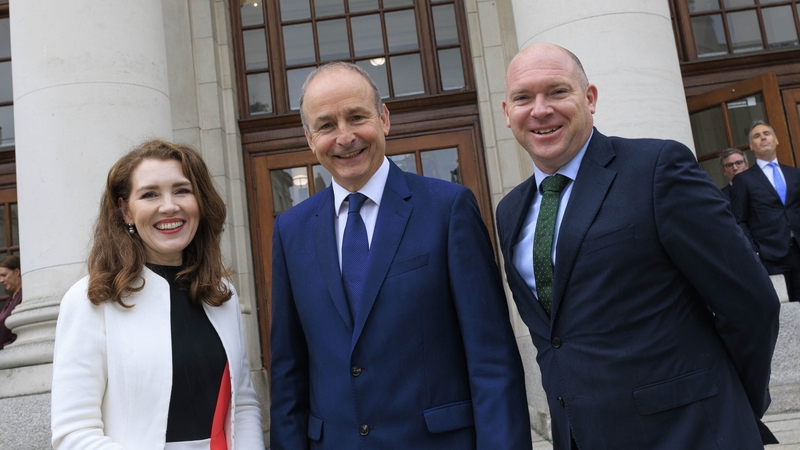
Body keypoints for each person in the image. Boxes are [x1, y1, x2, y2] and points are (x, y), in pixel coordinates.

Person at [496, 43, 780, 449]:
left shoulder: (656, 168)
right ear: (508, 113)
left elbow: (752, 302)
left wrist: (729, 398)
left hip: (690, 434)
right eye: (523, 97)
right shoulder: (510, 212)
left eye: (557, 91)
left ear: (589, 99)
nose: (540, 110)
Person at [270, 62, 531, 450]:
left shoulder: (448, 209)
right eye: (326, 125)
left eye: (357, 117)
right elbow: (288, 373)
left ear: (384, 119)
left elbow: (491, 359)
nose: (345, 137)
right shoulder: (291, 230)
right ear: (310, 139)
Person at [51, 140, 264, 449]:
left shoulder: (221, 294)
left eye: (182, 190)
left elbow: (242, 405)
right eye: (150, 194)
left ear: (200, 201)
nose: (169, 206)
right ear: (125, 210)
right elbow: (74, 432)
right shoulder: (91, 300)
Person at [731, 120, 800, 303]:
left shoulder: (795, 174)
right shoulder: (743, 180)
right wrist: (755, 251)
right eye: (757, 136)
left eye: (766, 134)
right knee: (781, 309)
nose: (763, 137)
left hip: (799, 250)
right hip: (771, 256)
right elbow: (739, 219)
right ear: (751, 146)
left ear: (776, 140)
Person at [0, 255, 22, 349]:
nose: (1, 280)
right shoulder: (11, 298)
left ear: (17, 272)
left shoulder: (23, 296)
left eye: (4, 275)